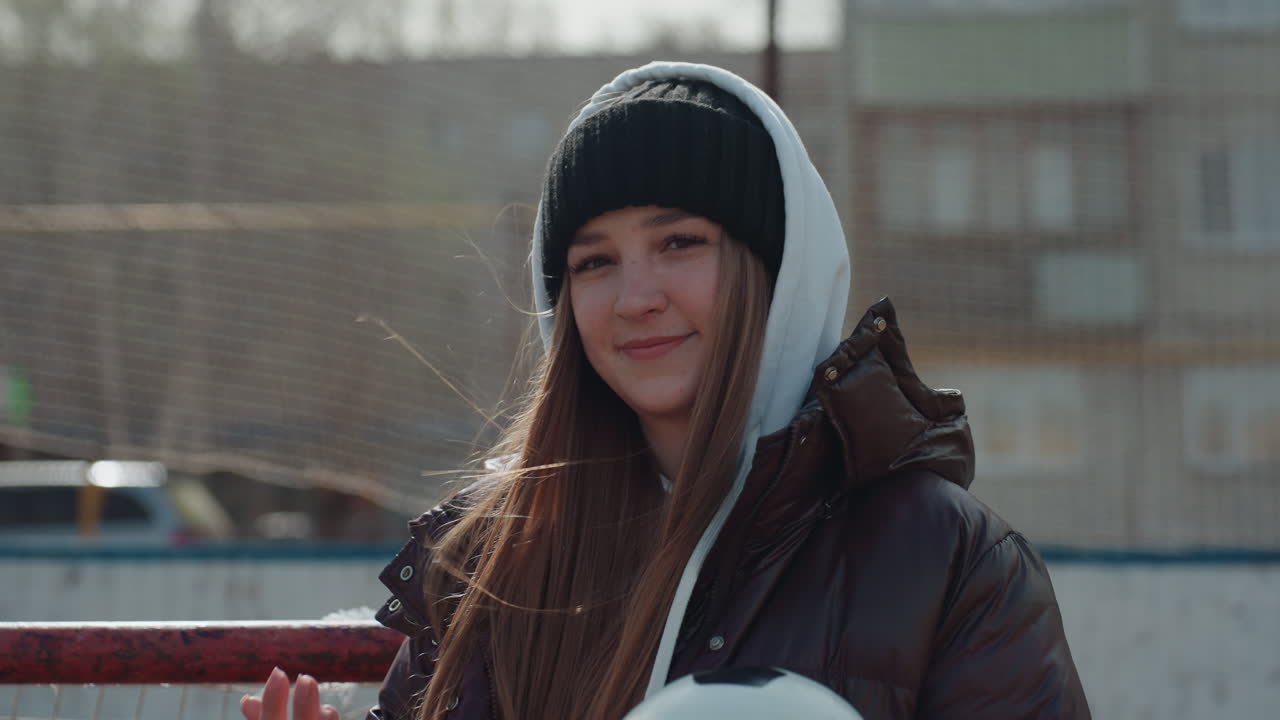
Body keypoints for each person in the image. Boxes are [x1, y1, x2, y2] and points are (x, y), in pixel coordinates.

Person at [241, 61, 1090, 720]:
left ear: (776, 272)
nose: (635, 296)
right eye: (594, 262)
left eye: (679, 243)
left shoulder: (944, 559)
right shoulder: (495, 557)